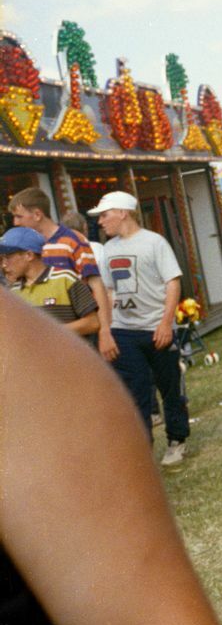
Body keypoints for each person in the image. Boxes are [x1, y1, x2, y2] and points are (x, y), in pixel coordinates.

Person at [0, 292, 222, 625]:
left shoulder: (15, 355)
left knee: (158, 398)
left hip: (140, 338)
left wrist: (135, 326)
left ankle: (176, 438)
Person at [90, 191, 192, 467]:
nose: (101, 221)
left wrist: (165, 323)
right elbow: (109, 291)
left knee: (169, 386)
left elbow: (172, 282)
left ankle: (177, 438)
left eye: (105, 214)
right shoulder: (108, 249)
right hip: (125, 329)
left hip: (156, 327)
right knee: (133, 391)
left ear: (123, 212)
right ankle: (142, 448)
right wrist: (107, 329)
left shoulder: (154, 243)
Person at [8, 187, 114, 358]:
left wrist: (105, 331)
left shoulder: (73, 240)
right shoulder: (25, 246)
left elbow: (96, 285)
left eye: (19, 216)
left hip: (78, 338)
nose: (15, 222)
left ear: (37, 214)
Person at [1, 226, 100, 339]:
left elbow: (93, 323)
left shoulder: (65, 279)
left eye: (8, 257)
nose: (4, 264)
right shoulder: (14, 290)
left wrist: (50, 332)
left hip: (68, 355)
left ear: (29, 255)